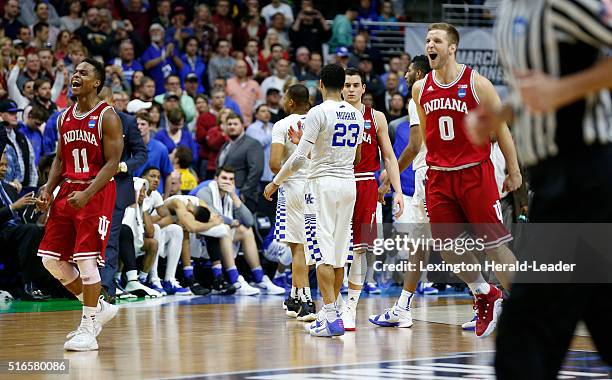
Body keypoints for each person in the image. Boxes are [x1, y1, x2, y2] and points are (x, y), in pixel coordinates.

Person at [462, 2, 612, 377]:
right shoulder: (510, 10)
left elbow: (553, 89)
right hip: (552, 180)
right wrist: (501, 116)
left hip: (586, 173)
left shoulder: (561, 4)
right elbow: (535, 92)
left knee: (524, 330)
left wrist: (561, 90)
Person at [408, 23, 522, 338]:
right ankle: (485, 292)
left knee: (495, 245)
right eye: (428, 40)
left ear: (452, 47)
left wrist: (513, 170)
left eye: (437, 41)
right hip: (439, 176)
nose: (430, 45)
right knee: (446, 246)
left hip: (476, 172)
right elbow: (430, 132)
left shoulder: (478, 84)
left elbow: (501, 130)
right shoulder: (421, 88)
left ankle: (528, 312)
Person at [264, 64, 365, 337]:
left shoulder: (318, 112)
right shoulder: (357, 114)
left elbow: (297, 158)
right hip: (349, 185)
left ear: (320, 84)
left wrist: (275, 182)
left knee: (321, 253)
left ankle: (330, 318)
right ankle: (330, 313)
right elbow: (356, 158)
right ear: (343, 85)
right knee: (340, 253)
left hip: (321, 186)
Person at [35, 58, 124, 351]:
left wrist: (87, 194)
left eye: (83, 73)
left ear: (96, 82)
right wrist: (48, 189)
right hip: (67, 189)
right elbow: (60, 159)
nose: (76, 75)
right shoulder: (63, 117)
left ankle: (88, 327)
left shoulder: (107, 115)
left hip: (95, 192)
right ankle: (99, 306)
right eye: (74, 72)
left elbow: (113, 163)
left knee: (86, 261)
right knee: (52, 261)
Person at [369, 55, 434, 329]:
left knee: (461, 243)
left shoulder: (419, 96)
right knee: (421, 244)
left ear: (417, 73)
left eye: (408, 70)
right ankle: (403, 306)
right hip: (438, 174)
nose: (405, 74)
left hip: (430, 175)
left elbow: (414, 146)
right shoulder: (443, 93)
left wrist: (387, 180)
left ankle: (491, 295)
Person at [339, 68, 404, 331]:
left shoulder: (376, 117)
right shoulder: (330, 113)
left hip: (366, 183)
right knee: (335, 249)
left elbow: (388, 156)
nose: (352, 89)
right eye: (347, 85)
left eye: (356, 85)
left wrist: (397, 190)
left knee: (359, 250)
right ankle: (332, 306)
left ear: (364, 88)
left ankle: (351, 307)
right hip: (338, 181)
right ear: (340, 88)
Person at [269, 84, 316, 321]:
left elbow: (275, 163)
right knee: (310, 247)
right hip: (319, 187)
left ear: (289, 102)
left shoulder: (282, 125)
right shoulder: (319, 120)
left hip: (293, 187)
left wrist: (277, 181)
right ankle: (295, 295)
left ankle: (306, 301)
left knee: (298, 247)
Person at [216, 113, 264, 212]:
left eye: (235, 124)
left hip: (243, 195)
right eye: (229, 124)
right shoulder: (225, 145)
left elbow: (256, 170)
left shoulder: (252, 143)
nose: (232, 127)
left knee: (245, 225)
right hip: (225, 193)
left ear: (242, 126)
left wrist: (244, 192)